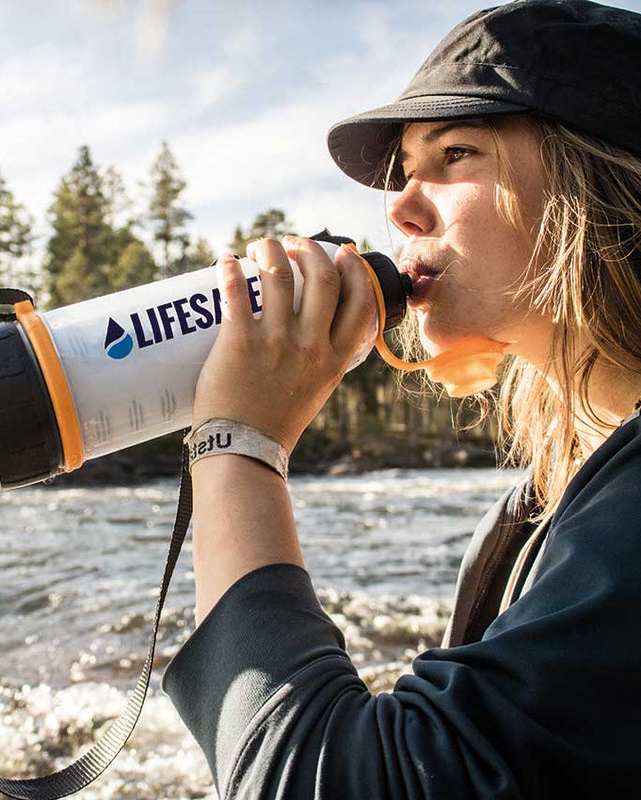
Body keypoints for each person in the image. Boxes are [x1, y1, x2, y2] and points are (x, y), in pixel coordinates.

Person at [161, 1, 641, 797]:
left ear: (598, 180)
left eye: (455, 153)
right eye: (402, 172)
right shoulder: (544, 502)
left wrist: (240, 443)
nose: (399, 205)